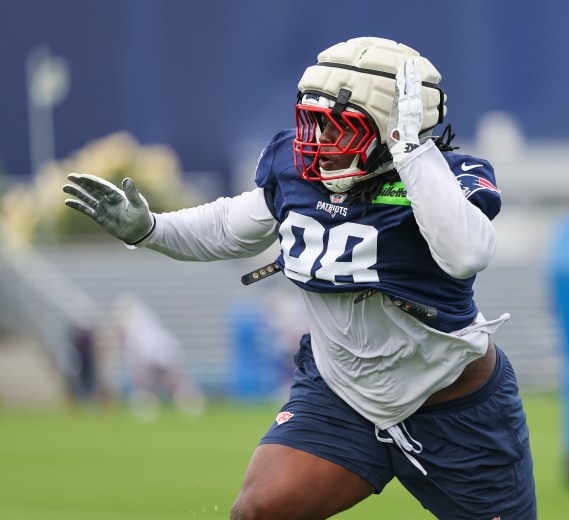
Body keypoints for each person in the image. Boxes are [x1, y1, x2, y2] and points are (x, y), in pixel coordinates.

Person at [63, 36, 536, 520]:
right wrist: (152, 229)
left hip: (452, 404)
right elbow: (230, 226)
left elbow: (466, 254)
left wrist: (412, 155)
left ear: (391, 129)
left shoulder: (441, 175)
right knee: (257, 511)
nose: (318, 143)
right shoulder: (297, 170)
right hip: (342, 397)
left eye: (337, 128)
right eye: (312, 123)